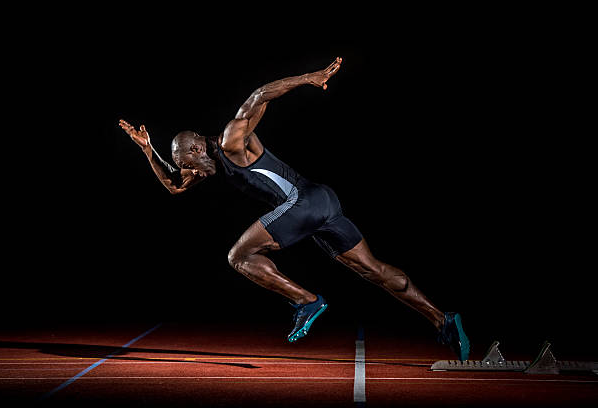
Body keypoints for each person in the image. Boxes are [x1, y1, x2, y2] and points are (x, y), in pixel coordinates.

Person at [119, 57, 470, 360]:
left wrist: (308, 78)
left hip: (304, 201)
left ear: (196, 149)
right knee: (373, 270)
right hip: (322, 204)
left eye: (187, 163)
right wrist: (148, 150)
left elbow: (258, 95)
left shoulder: (231, 141)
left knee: (239, 256)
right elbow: (174, 187)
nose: (189, 172)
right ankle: (443, 319)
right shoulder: (207, 164)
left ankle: (307, 301)